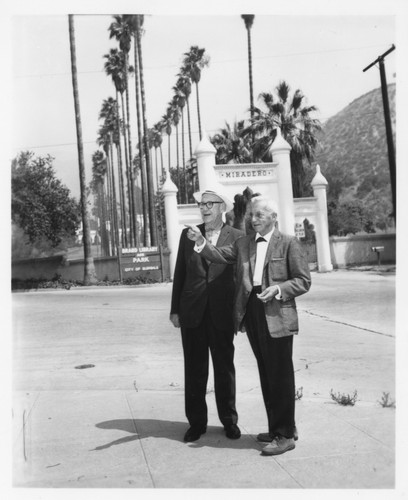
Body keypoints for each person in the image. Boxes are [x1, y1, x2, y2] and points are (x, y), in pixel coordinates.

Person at [186, 195, 311, 456]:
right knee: (267, 372)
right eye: (251, 216)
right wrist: (200, 242)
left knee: (280, 374)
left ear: (273, 217)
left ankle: (285, 435)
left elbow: (303, 280)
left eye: (259, 216)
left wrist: (278, 289)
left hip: (277, 311)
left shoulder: (288, 242)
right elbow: (219, 255)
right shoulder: (244, 243)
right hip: (252, 310)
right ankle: (280, 427)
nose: (253, 220)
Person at [170, 189, 245, 443]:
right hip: (192, 312)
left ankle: (229, 421)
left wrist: (240, 312)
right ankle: (196, 423)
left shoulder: (237, 236)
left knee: (224, 369)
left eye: (210, 203)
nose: (204, 208)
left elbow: (239, 277)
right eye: (201, 204)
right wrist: (175, 309)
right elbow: (180, 272)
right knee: (194, 370)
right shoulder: (187, 235)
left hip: (221, 313)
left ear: (222, 207)